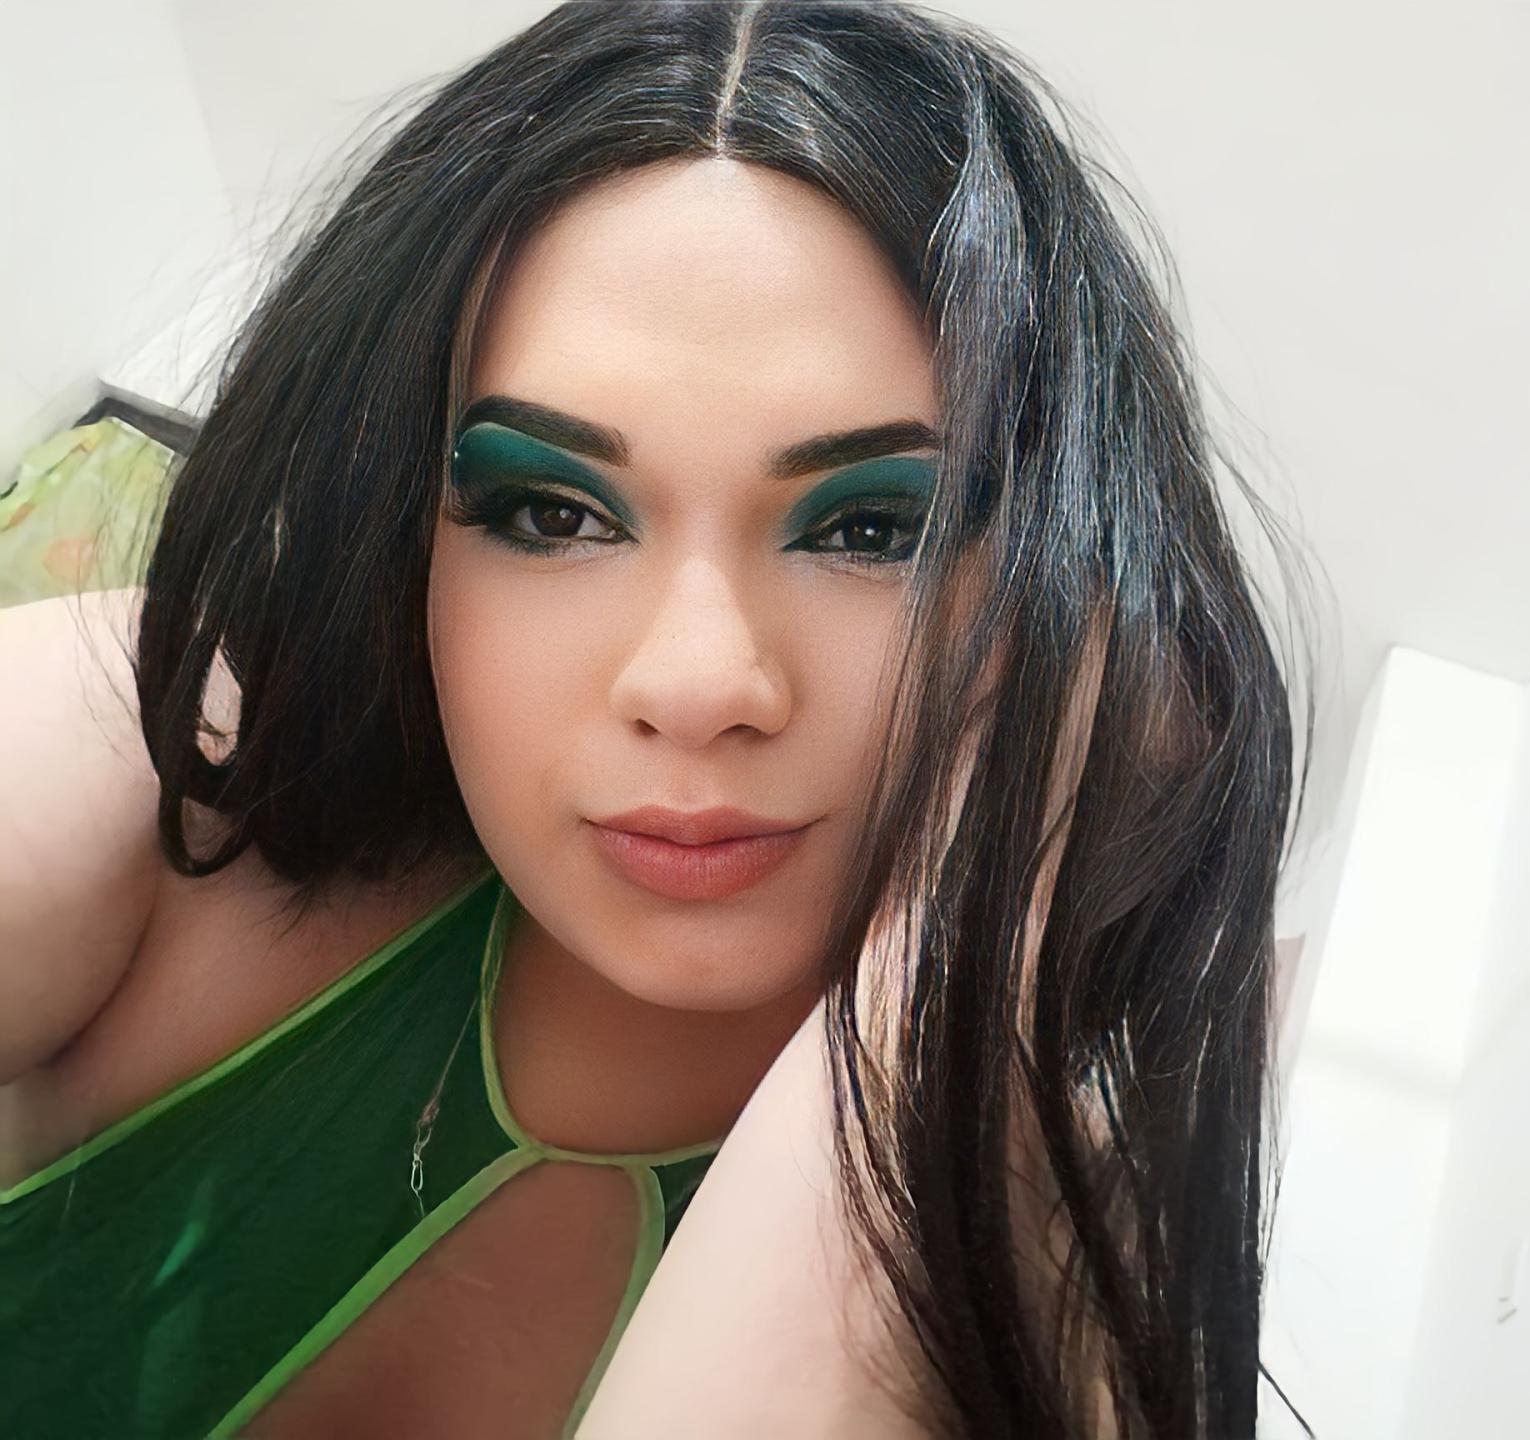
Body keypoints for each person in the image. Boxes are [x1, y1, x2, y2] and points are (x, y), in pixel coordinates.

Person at [0, 2, 1321, 1436]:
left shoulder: (1073, 1260)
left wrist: (967, 946)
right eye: (551, 512)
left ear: (1068, 592)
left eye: (876, 529)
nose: (699, 684)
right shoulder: (170, 752)